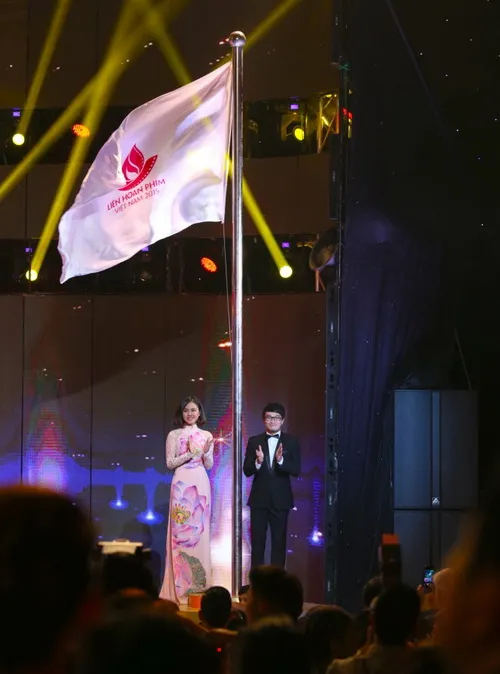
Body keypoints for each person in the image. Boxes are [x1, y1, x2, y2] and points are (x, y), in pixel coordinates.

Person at [160, 396, 214, 604]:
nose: (190, 414)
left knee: (200, 533)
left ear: (200, 413)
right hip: (181, 483)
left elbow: (208, 465)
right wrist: (189, 454)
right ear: (181, 413)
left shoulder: (206, 435)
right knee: (179, 534)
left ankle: (200, 589)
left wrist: (205, 452)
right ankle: (180, 590)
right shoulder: (174, 435)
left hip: (200, 483)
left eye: (193, 410)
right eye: (186, 411)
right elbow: (169, 463)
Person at [243, 403, 301, 569]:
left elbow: (296, 470)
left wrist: (281, 461)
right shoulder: (254, 441)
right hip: (259, 500)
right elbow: (247, 471)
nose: (273, 421)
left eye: (276, 418)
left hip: (281, 500)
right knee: (257, 544)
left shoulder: (291, 441)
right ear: (264, 420)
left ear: (282, 420)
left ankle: (277, 582)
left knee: (279, 544)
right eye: (269, 417)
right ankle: (257, 581)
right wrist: (258, 462)